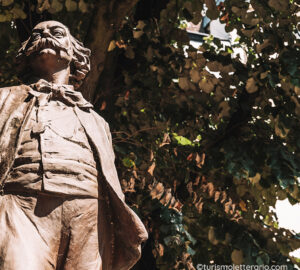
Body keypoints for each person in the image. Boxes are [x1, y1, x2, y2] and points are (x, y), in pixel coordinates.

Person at [0, 20, 148, 270]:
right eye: (37, 34)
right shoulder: (5, 98)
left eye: (56, 32)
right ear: (26, 54)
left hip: (88, 211)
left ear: (74, 53)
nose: (45, 35)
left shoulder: (96, 121)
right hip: (21, 205)